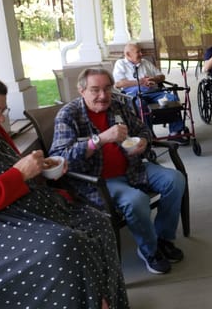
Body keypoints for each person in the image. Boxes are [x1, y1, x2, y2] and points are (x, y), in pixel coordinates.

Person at [0, 71, 128, 308]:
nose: (0, 119)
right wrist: (20, 174)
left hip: (28, 203)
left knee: (99, 222)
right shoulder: (70, 114)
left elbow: (11, 165)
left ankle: (106, 300)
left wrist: (39, 169)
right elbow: (10, 177)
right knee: (64, 243)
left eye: (2, 111)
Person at [50, 68, 186, 275]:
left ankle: (163, 238)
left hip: (133, 167)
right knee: (136, 200)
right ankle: (149, 250)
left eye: (107, 88)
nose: (103, 96)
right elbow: (61, 157)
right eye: (95, 90)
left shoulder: (117, 106)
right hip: (99, 179)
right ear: (81, 90)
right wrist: (100, 139)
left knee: (175, 179)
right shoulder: (69, 115)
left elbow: (143, 131)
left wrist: (142, 141)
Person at [113, 42, 186, 143]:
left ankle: (174, 133)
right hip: (133, 94)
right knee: (140, 104)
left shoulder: (145, 62)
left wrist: (154, 79)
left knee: (172, 99)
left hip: (153, 92)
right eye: (138, 52)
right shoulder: (120, 64)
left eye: (141, 51)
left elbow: (161, 76)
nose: (141, 54)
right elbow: (119, 83)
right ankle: (148, 134)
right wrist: (140, 82)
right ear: (128, 54)